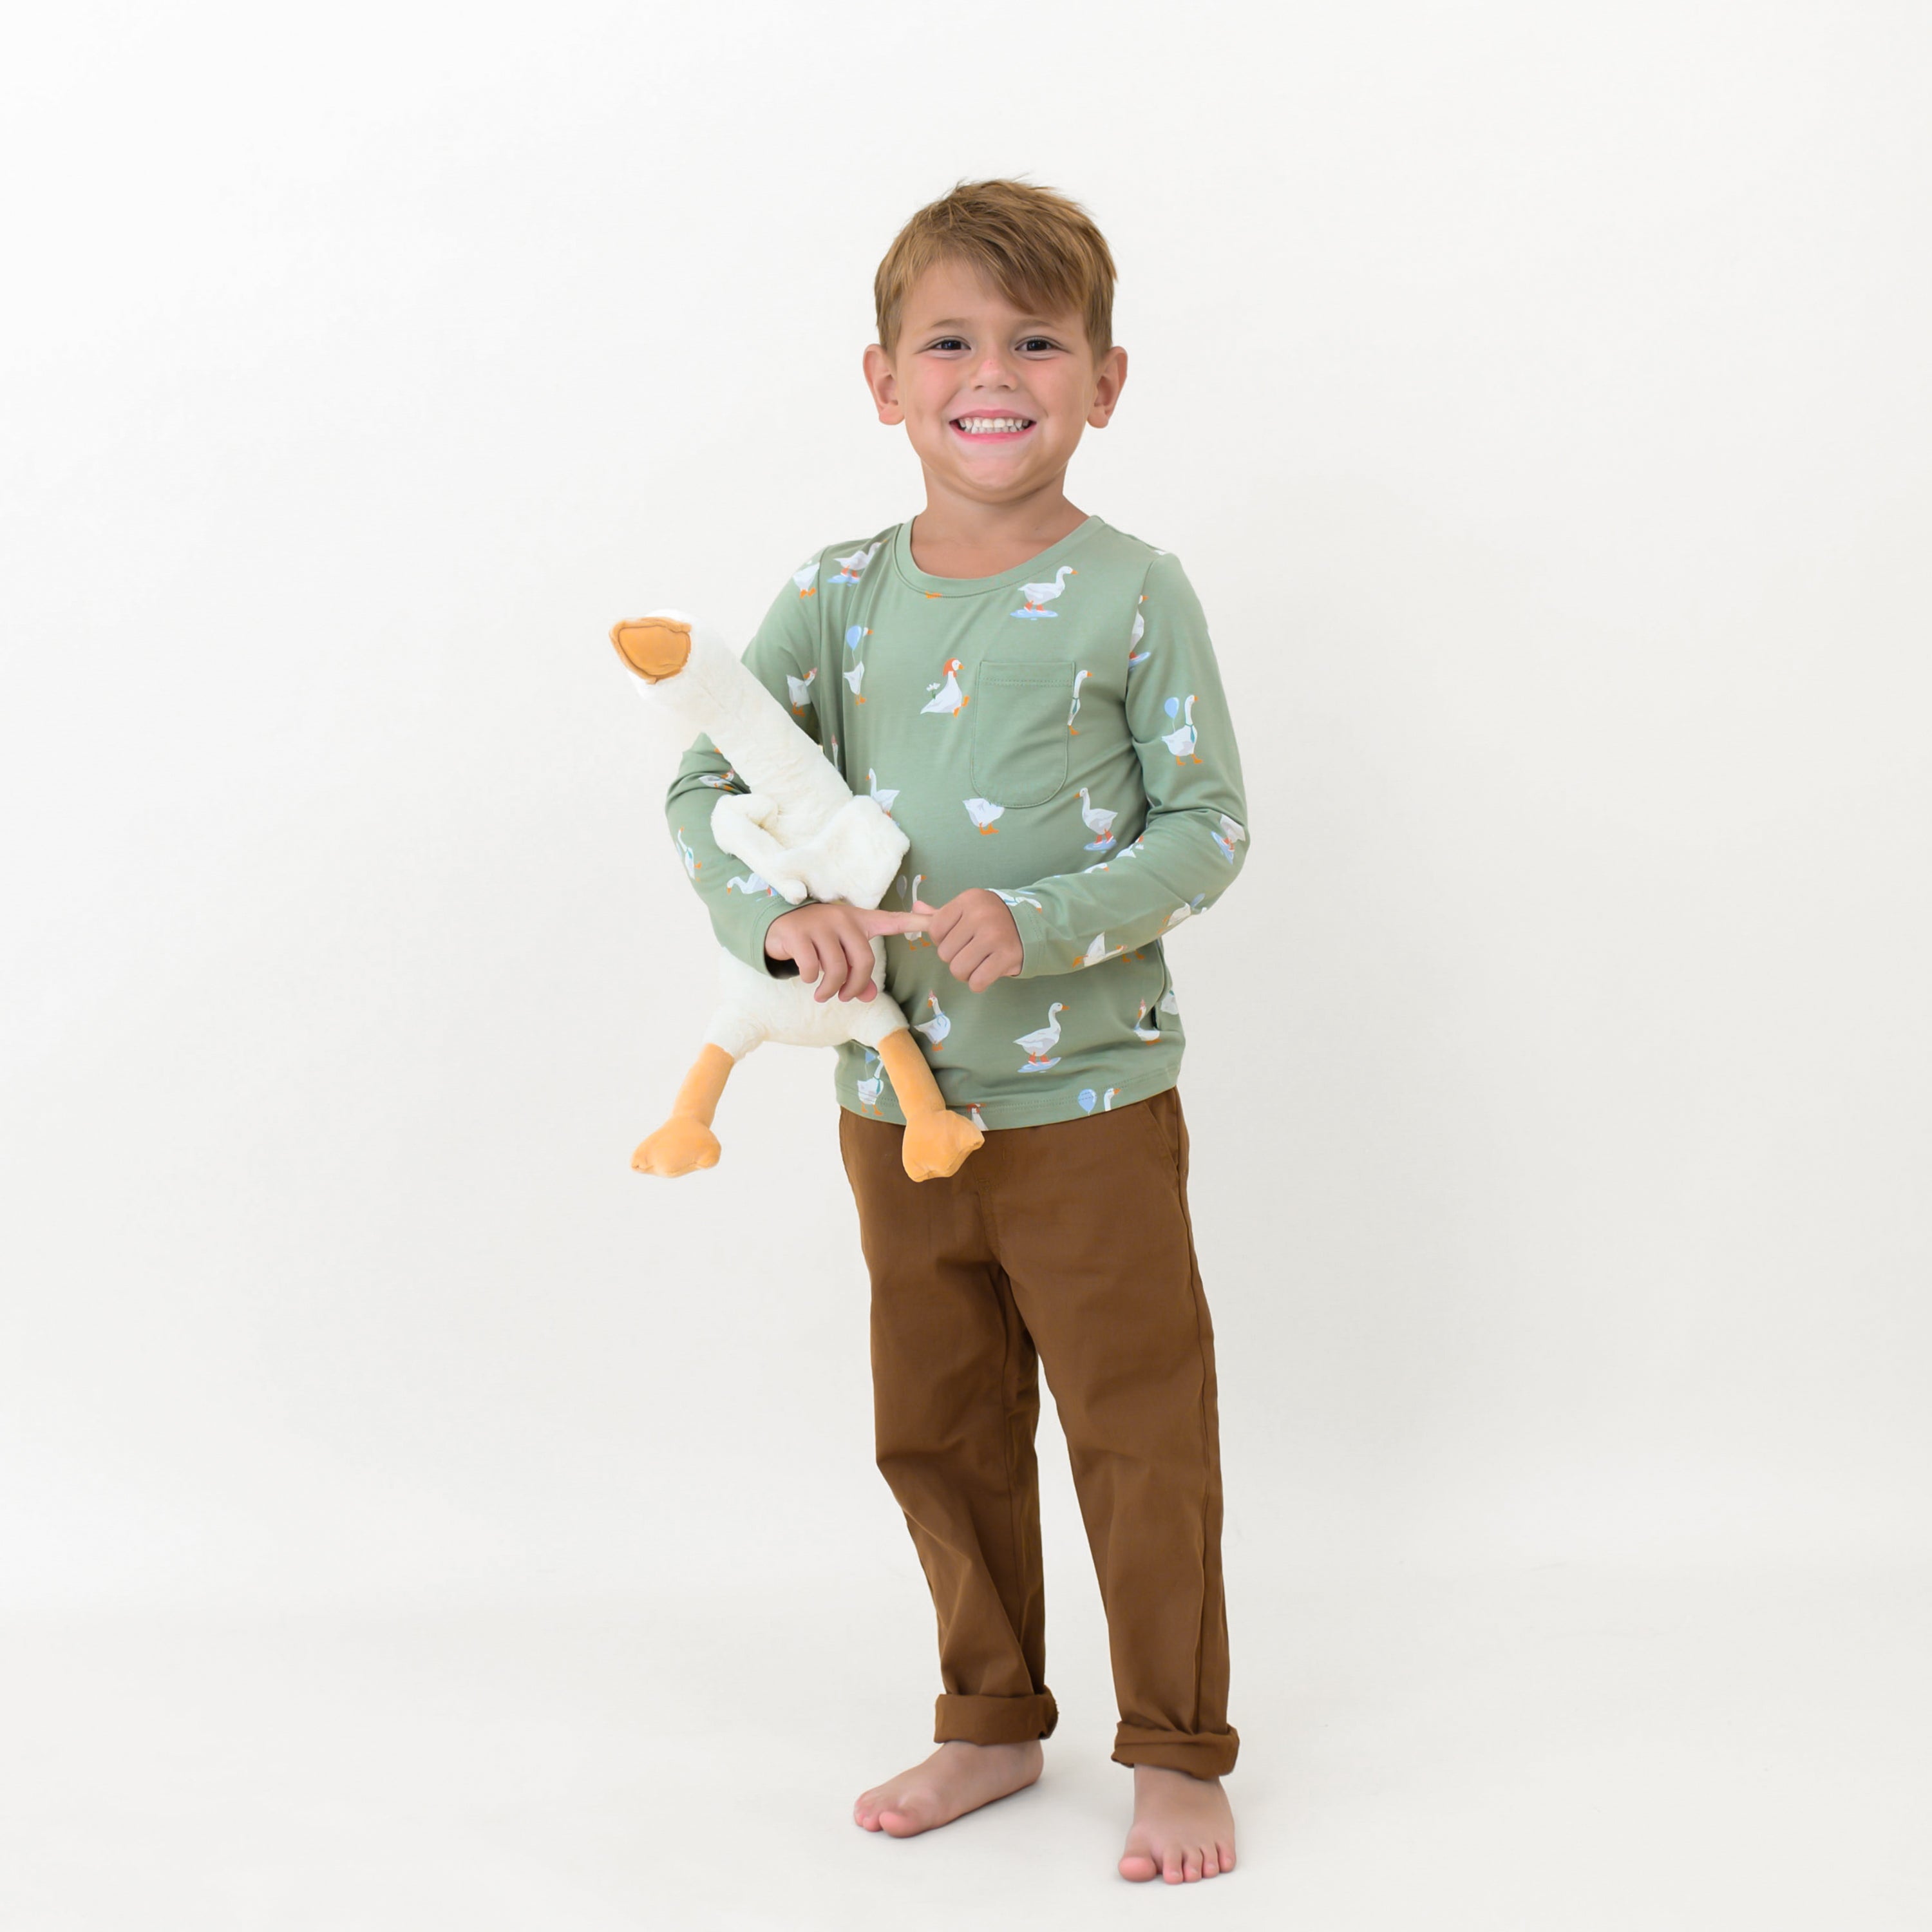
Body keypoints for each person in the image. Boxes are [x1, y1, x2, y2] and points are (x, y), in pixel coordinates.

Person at [661, 176, 1251, 1886]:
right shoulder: (836, 598)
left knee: (1137, 1422)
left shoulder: (1137, 592)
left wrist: (1048, 918)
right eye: (953, 340)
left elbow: (1209, 824)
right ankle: (988, 1717)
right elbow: (714, 769)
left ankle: (1177, 1747)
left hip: (1091, 1108)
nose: (995, 371)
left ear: (1106, 380)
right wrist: (774, 915)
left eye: (1039, 340)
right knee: (935, 1421)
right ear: (883, 378)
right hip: (892, 1097)